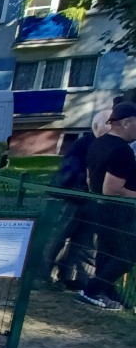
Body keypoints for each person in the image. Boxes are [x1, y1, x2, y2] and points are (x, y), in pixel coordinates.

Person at [78, 102, 136, 310]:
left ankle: (106, 292)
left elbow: (88, 177)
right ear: (127, 123)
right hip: (116, 210)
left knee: (107, 252)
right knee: (127, 254)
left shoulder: (98, 143)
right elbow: (112, 189)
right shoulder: (122, 151)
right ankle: (92, 290)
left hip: (98, 207)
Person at [47, 109, 108, 291]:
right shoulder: (85, 144)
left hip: (90, 200)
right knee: (57, 237)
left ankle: (75, 278)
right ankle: (41, 275)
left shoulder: (103, 144)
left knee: (84, 242)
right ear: (97, 126)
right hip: (71, 198)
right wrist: (80, 183)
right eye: (108, 124)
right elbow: (68, 171)